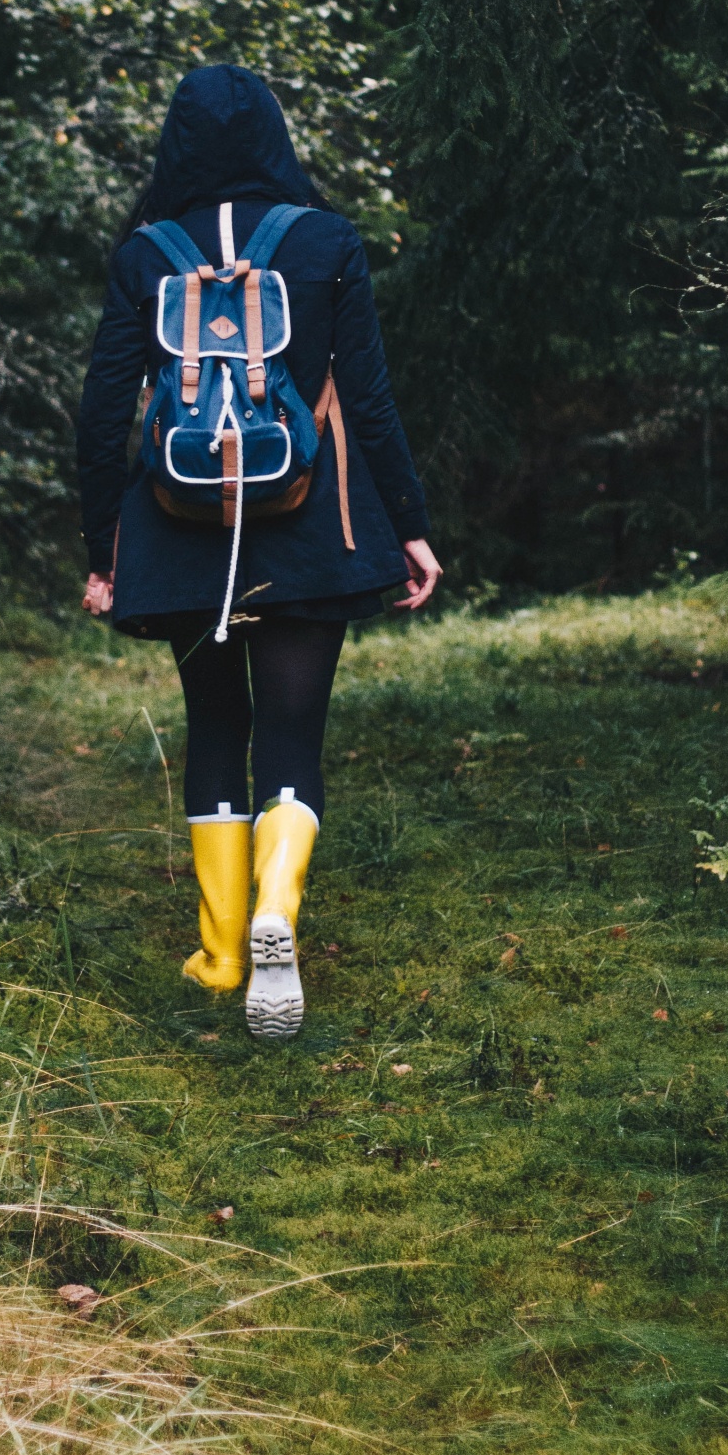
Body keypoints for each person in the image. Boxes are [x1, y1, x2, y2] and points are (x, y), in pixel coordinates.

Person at [77, 65, 441, 1038]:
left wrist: (104, 547)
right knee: (290, 731)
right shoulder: (325, 242)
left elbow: (104, 411)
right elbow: (369, 398)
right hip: (308, 527)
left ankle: (224, 952)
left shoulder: (145, 253)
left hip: (178, 527)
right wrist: (408, 524)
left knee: (213, 724)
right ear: (275, 138)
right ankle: (278, 909)